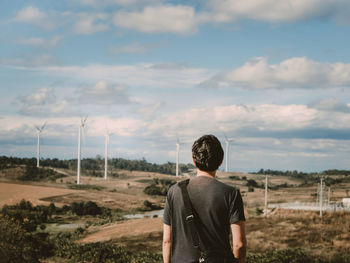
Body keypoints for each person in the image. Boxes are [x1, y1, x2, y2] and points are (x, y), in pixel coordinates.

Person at [162, 134, 246, 263]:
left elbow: (167, 241)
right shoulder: (231, 194)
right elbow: (239, 245)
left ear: (194, 160)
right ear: (221, 160)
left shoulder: (174, 191)